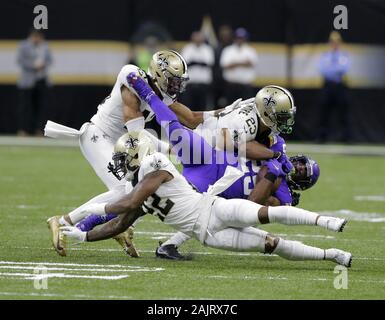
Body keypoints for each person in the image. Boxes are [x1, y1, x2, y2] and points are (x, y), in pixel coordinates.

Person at [60, 131, 352, 268]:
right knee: (271, 244)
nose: (120, 165)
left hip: (215, 208)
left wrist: (90, 211)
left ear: (139, 155)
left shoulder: (156, 166)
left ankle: (327, 221)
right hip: (208, 235)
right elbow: (118, 224)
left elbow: (127, 205)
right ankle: (331, 255)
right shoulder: (139, 184)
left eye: (124, 159)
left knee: (264, 213)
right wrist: (83, 237)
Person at [45, 50, 190, 257]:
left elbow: (185, 119)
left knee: (140, 189)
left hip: (120, 142)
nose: (176, 86)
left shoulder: (160, 96)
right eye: (173, 81)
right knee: (125, 189)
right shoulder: (133, 77)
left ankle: (121, 226)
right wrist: (164, 149)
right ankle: (62, 221)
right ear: (158, 74)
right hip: (98, 137)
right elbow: (137, 134)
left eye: (179, 82)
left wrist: (170, 147)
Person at [16, 29, 52, 136]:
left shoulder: (45, 46)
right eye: (35, 37)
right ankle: (24, 129)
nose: (37, 39)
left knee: (40, 106)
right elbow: (20, 60)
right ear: (32, 36)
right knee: (25, 107)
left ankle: (39, 129)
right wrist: (33, 66)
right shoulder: (24, 45)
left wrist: (43, 65)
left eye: (39, 37)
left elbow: (50, 60)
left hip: (41, 80)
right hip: (27, 82)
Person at [317, 31, 351, 142]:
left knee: (343, 113)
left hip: (339, 86)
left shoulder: (344, 56)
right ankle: (322, 137)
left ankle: (345, 137)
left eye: (337, 42)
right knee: (324, 112)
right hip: (328, 86)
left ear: (340, 43)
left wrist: (332, 69)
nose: (334, 44)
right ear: (329, 43)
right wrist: (335, 69)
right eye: (332, 42)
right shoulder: (325, 56)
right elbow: (323, 70)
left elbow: (344, 69)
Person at [220, 28, 258, 105]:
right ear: (234, 38)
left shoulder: (250, 50)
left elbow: (252, 63)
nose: (240, 40)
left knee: (246, 108)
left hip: (245, 86)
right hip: (231, 85)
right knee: (229, 108)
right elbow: (225, 65)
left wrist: (234, 63)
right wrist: (243, 63)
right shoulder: (228, 50)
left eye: (242, 38)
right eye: (238, 37)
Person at [180, 31, 215, 110]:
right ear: (192, 38)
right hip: (190, 84)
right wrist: (198, 63)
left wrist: (193, 62)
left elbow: (209, 63)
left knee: (203, 108)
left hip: (203, 84)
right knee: (189, 108)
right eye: (196, 37)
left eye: (199, 37)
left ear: (203, 39)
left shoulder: (207, 49)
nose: (198, 39)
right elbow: (184, 63)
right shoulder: (187, 48)